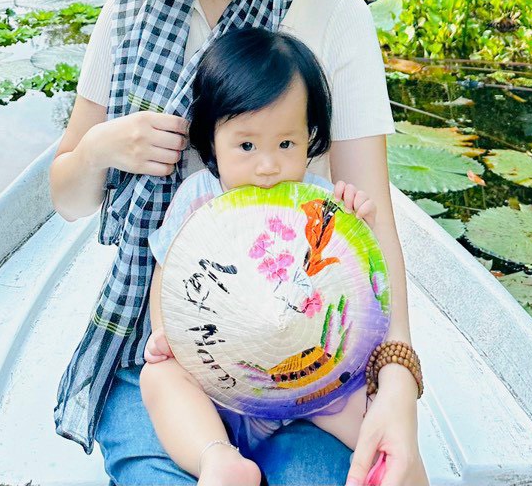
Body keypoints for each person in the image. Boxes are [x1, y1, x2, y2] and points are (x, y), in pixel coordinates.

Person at [48, 0, 427, 486]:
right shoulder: (127, 14)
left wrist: (397, 379)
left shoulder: (336, 16)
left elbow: (374, 217)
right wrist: (105, 148)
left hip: (305, 335)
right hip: (159, 342)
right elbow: (67, 196)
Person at [140, 27, 379, 486]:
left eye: (285, 144)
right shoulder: (198, 199)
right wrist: (165, 332)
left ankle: (377, 456)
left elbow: (354, 280)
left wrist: (358, 226)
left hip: (304, 382)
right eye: (247, 146)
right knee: (159, 378)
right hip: (216, 381)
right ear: (212, 138)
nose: (268, 165)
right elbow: (168, 273)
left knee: (359, 394)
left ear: (310, 137)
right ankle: (217, 458)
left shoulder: (319, 201)